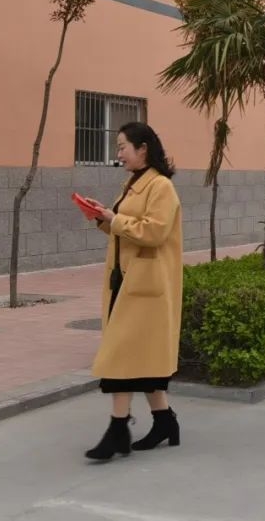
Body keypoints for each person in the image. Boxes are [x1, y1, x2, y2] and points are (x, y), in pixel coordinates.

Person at [80, 122, 184, 461]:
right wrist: (101, 218)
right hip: (126, 281)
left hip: (146, 285)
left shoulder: (161, 187)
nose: (118, 153)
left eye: (123, 146)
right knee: (143, 360)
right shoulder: (134, 184)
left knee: (120, 358)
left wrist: (115, 218)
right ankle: (166, 422)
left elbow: (153, 233)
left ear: (143, 149)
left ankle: (117, 430)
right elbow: (126, 231)